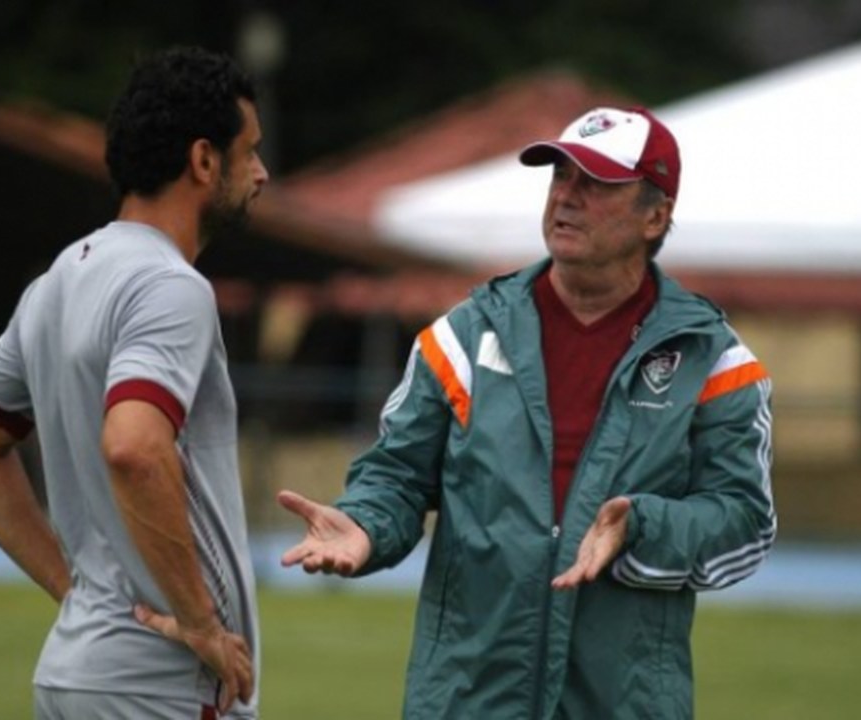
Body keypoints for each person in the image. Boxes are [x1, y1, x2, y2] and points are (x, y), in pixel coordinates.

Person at [279, 106, 775, 719]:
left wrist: (642, 526)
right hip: (466, 702)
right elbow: (396, 478)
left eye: (596, 183)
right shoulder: (461, 336)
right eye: (560, 176)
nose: (567, 196)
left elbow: (745, 522)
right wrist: (366, 525)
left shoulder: (714, 359)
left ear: (656, 215)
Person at [0, 46, 268, 719]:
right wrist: (201, 626)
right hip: (160, 685)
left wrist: (80, 594)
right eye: (251, 152)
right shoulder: (173, 287)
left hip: (75, 671)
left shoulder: (58, 280)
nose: (261, 173)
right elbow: (135, 447)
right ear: (204, 161)